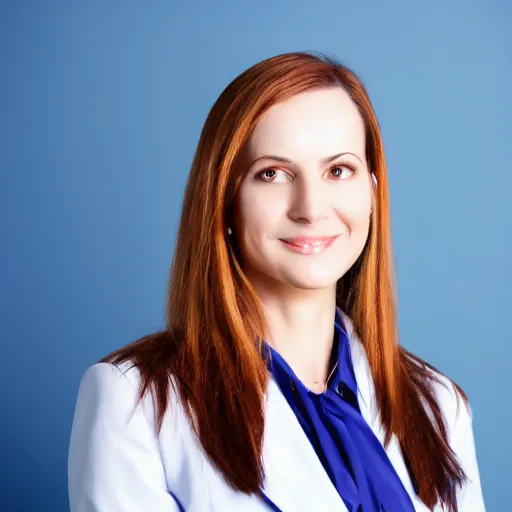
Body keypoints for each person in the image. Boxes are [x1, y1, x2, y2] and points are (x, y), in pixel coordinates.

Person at [68, 51, 485, 511]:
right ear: (224, 198)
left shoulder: (438, 406)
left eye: (338, 170)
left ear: (372, 189)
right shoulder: (134, 404)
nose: (310, 207)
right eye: (272, 174)